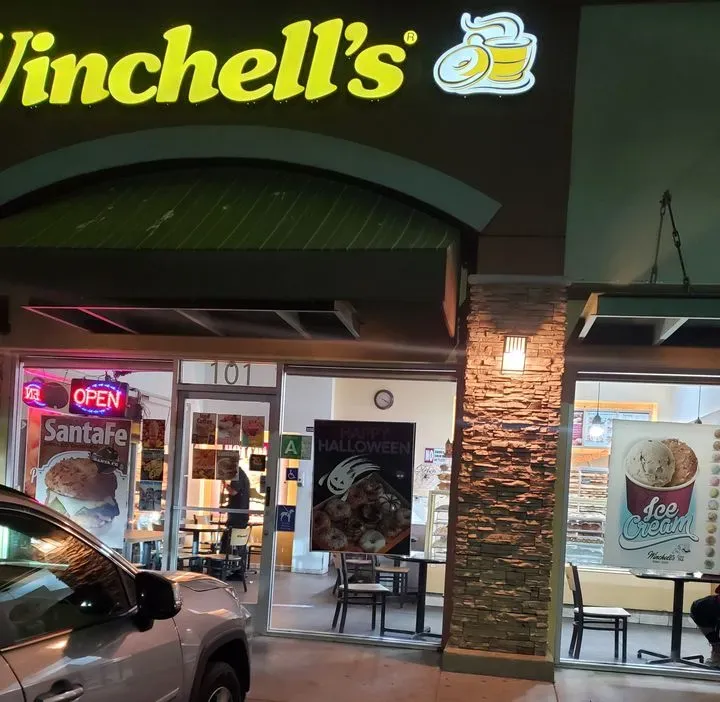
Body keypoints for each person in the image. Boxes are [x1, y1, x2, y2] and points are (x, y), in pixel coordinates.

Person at [220, 472, 250, 555]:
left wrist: (224, 484)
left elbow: (234, 492)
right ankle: (237, 560)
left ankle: (224, 561)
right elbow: (237, 500)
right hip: (240, 517)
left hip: (237, 519)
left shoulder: (238, 474)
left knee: (225, 543)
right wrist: (226, 508)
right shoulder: (242, 476)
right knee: (235, 544)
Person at [690, 587, 720, 666]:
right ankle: (716, 654)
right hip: (701, 612)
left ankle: (716, 654)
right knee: (715, 640)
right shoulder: (704, 606)